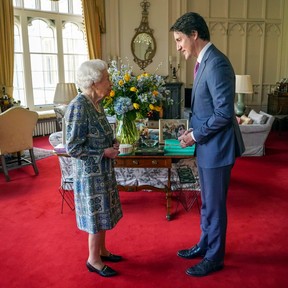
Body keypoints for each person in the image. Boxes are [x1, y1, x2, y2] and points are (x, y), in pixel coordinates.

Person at [170, 12, 245, 277]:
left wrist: (195, 136)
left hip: (217, 149)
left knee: (214, 205)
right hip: (207, 146)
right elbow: (208, 109)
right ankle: (205, 244)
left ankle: (215, 257)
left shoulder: (217, 64)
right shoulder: (204, 62)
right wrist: (194, 130)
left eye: (180, 39)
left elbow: (225, 114)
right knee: (206, 204)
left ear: (194, 35)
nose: (178, 46)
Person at [65, 59, 123, 277]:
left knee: (103, 212)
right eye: (106, 78)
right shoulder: (79, 106)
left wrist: (113, 142)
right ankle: (93, 260)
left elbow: (100, 134)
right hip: (90, 175)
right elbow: (73, 147)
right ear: (93, 82)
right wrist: (102, 153)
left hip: (102, 171)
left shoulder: (96, 104)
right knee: (95, 215)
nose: (110, 82)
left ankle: (103, 251)